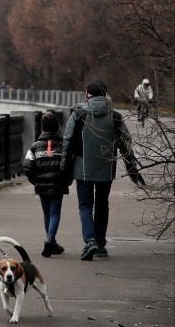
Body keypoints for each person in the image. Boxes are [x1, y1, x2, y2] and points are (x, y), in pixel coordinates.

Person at [61, 80, 145, 261]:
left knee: (85, 205)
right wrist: (133, 168)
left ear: (87, 94)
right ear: (105, 94)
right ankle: (100, 244)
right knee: (102, 205)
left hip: (82, 168)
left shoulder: (78, 115)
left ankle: (89, 240)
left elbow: (67, 143)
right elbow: (126, 144)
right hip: (106, 169)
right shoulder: (114, 117)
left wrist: (63, 169)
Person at [22, 111, 69, 257]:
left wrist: (35, 181)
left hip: (41, 186)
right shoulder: (63, 146)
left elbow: (27, 166)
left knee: (46, 213)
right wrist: (66, 181)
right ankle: (50, 240)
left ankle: (51, 242)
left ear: (41, 129)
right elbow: (69, 165)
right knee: (55, 213)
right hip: (58, 185)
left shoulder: (34, 147)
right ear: (57, 128)